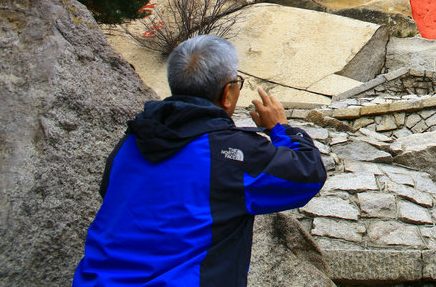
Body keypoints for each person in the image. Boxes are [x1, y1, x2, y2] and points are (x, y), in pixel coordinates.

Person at [74, 34, 327, 286]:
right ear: (227, 94)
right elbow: (307, 174)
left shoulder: (130, 142)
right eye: (237, 82)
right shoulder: (232, 153)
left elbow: (108, 193)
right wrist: (280, 129)